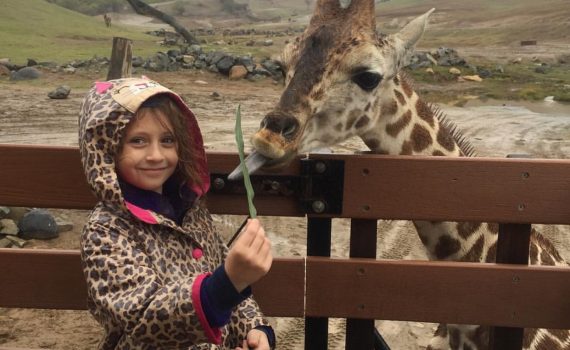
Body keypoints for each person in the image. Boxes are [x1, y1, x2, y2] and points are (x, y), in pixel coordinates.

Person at [78, 77, 275, 349]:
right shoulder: (106, 230)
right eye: (138, 141)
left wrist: (254, 330)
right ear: (108, 150)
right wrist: (226, 282)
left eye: (167, 140)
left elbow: (230, 283)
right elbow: (143, 319)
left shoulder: (192, 211)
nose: (156, 155)